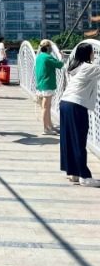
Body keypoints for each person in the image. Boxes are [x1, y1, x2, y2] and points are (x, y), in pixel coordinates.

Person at [60, 43, 100, 187]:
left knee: (69, 140)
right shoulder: (88, 67)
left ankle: (73, 173)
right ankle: (84, 176)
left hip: (65, 103)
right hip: (76, 105)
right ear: (88, 53)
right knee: (79, 141)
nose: (94, 54)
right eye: (93, 52)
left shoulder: (74, 67)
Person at [35, 39, 64, 135]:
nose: (51, 49)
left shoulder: (39, 57)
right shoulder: (48, 57)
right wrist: (62, 57)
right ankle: (46, 129)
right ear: (47, 47)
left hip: (40, 84)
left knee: (46, 106)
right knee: (45, 107)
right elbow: (60, 65)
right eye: (50, 47)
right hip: (47, 84)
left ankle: (49, 125)